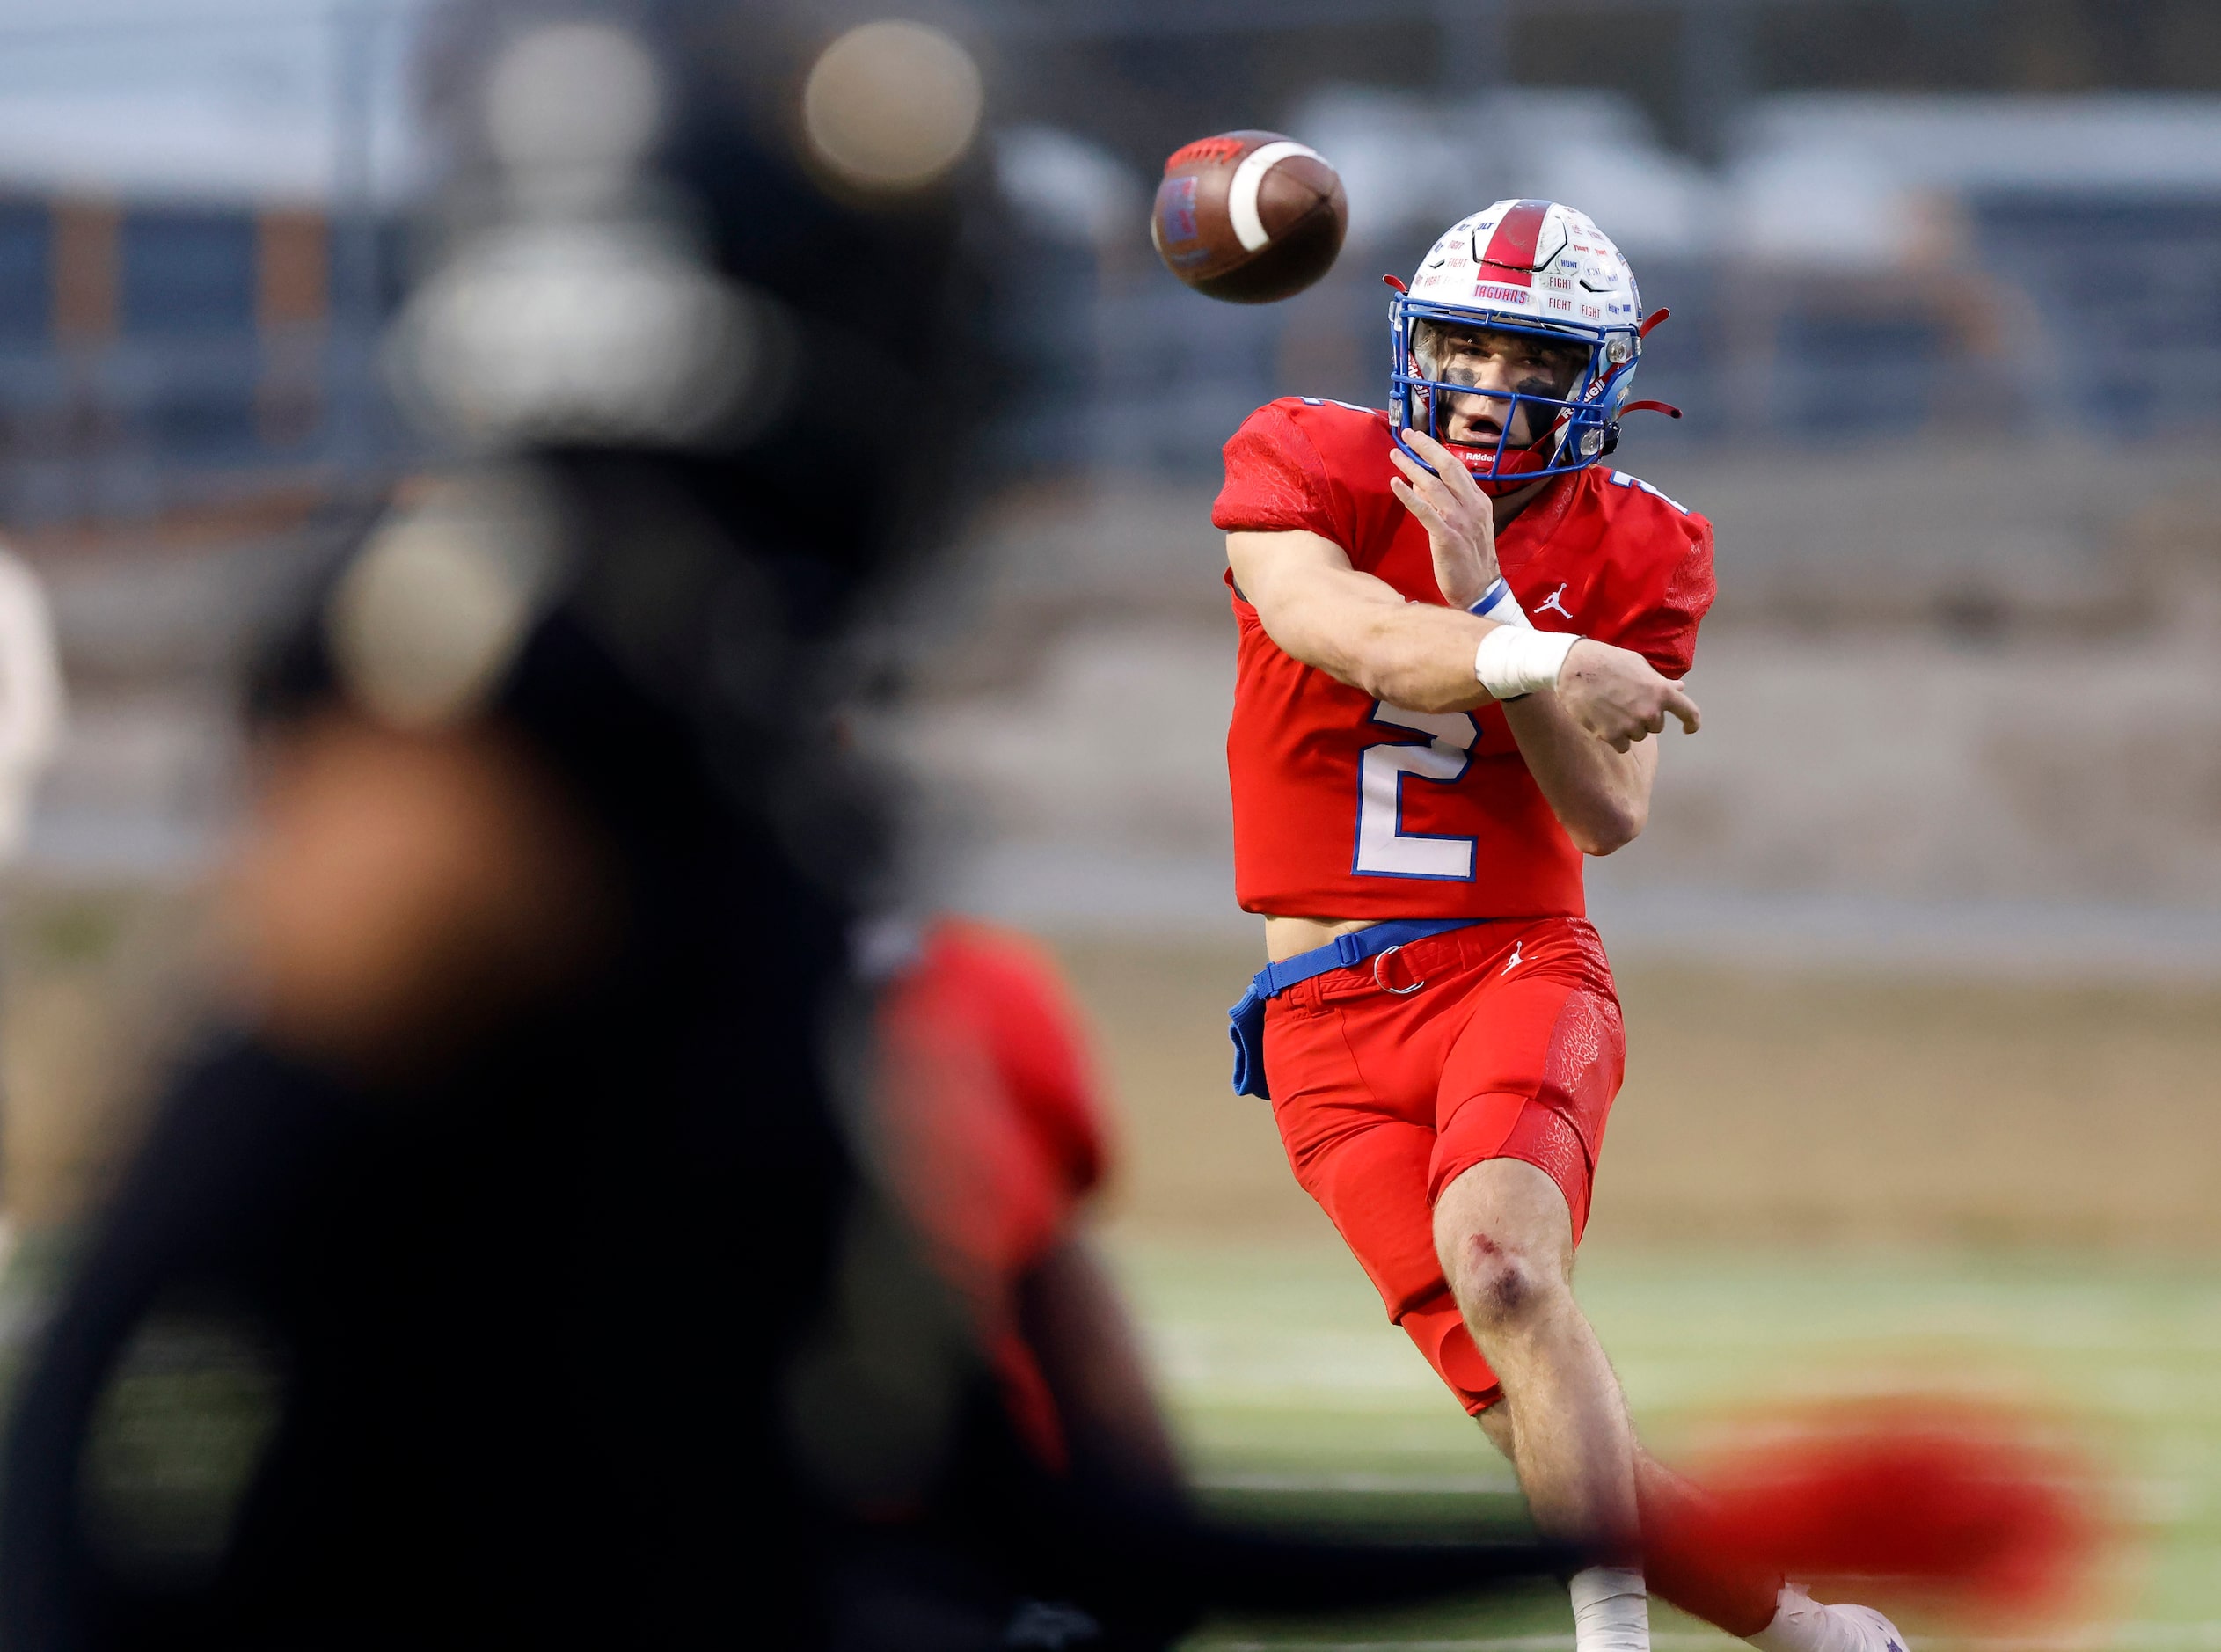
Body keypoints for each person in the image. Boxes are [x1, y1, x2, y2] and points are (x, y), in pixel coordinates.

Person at [1213, 197, 1906, 1652]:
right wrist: (1532, 644)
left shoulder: (1645, 542)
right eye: (1459, 345)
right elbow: (1333, 629)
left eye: (1526, 359)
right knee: (1517, 1391)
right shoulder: (1306, 455)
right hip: (1318, 1026)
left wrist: (1493, 595)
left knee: (1509, 1264)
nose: (1482, 386)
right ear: (1409, 342)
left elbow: (1605, 814)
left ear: (1593, 380)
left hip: (1511, 962)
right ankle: (1821, 1639)